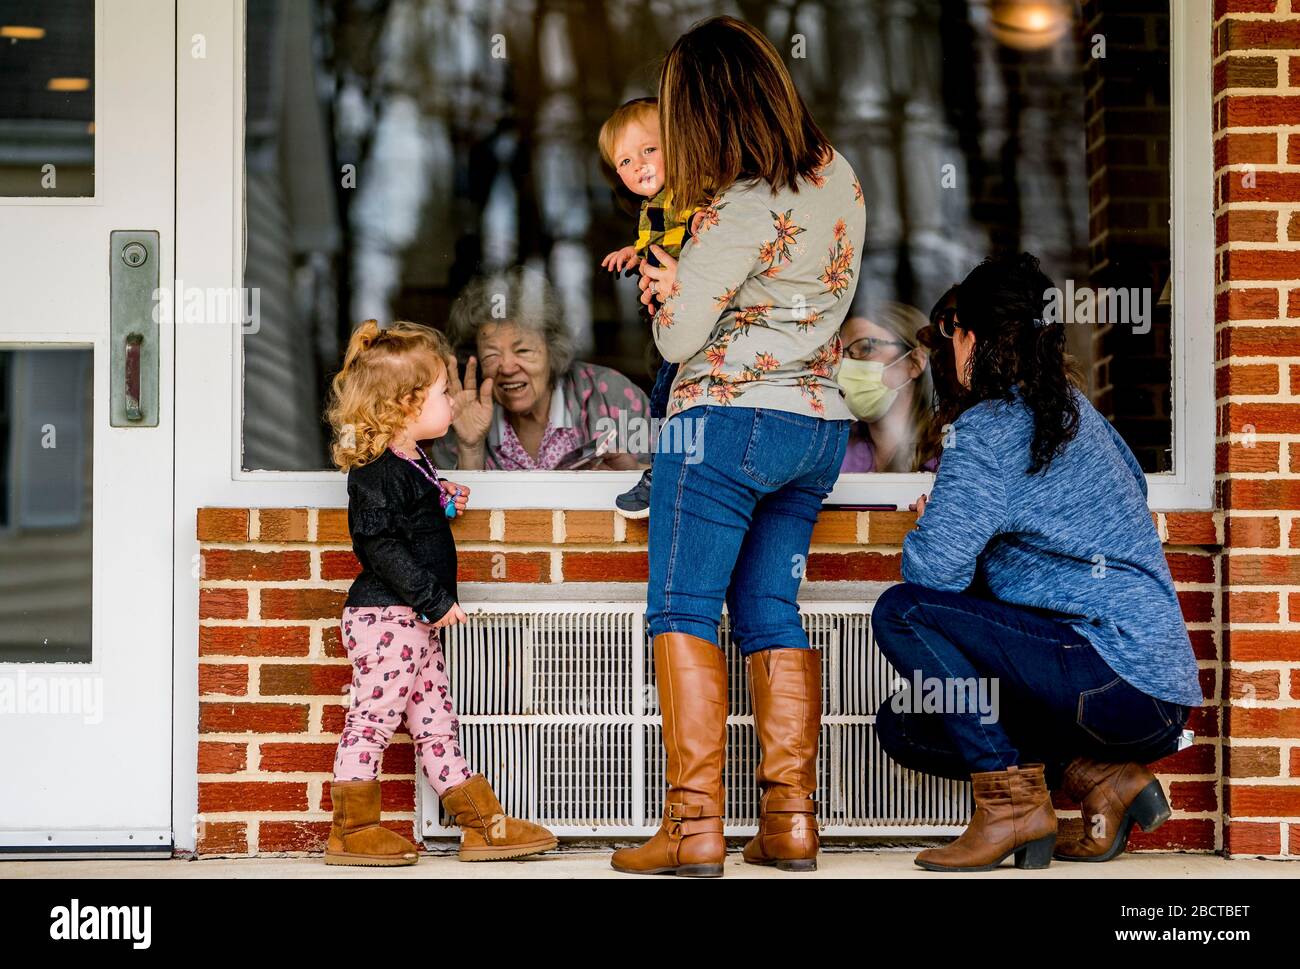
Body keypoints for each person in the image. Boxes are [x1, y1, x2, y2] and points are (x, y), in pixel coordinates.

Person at [609, 15, 866, 878]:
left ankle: (693, 829)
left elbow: (680, 338)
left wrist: (667, 285)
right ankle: (790, 821)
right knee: (770, 611)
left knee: (684, 608)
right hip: (817, 425)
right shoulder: (840, 176)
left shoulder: (731, 206)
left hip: (720, 420)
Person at [869, 253, 1203, 872]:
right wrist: (968, 516)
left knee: (902, 612)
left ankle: (1011, 809)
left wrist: (938, 514)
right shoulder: (1085, 419)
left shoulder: (987, 430)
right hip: (1156, 696)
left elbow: (931, 578)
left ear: (972, 337)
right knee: (907, 721)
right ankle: (1103, 778)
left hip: (1109, 670)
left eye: (955, 333)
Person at [323, 319, 557, 865]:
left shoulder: (412, 461)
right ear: (405, 405)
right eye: (442, 393)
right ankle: (352, 831)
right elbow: (377, 545)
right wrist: (432, 598)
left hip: (414, 621)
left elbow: (409, 516)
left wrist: (441, 492)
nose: (453, 401)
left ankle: (482, 824)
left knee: (435, 719)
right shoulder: (375, 471)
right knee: (375, 716)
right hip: (388, 618)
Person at [430, 266, 652, 472]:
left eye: (523, 350)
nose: (507, 367)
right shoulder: (458, 417)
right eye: (491, 355)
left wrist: (627, 477)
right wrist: (470, 449)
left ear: (552, 348)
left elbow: (666, 487)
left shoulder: (612, 396)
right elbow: (455, 512)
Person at [597, 96, 704, 518]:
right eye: (624, 161)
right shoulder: (654, 206)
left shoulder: (693, 195)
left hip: (699, 331)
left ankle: (663, 474)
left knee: (667, 401)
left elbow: (701, 238)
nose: (638, 166)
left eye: (648, 150)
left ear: (678, 145)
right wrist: (635, 252)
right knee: (667, 396)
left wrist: (701, 225)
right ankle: (668, 472)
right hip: (673, 328)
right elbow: (660, 245)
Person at [837, 301, 937, 472]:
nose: (844, 364)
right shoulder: (834, 453)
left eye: (865, 348)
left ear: (914, 363)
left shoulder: (948, 456)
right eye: (838, 354)